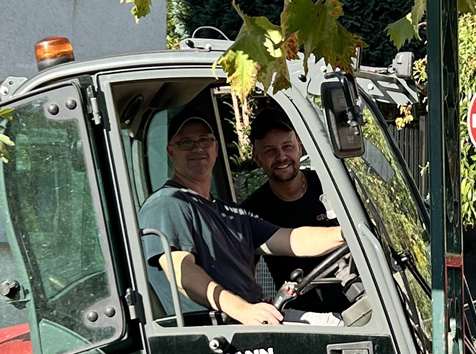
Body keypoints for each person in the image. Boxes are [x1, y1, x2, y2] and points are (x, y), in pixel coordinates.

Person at [138, 109, 344, 325]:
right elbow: (182, 273)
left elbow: (292, 240)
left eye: (205, 141)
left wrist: (346, 233)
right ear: (171, 152)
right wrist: (243, 310)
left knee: (345, 323)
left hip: (256, 318)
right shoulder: (168, 203)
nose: (198, 148)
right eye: (186, 142)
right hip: (221, 329)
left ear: (216, 148)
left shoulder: (231, 213)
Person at [241, 108, 348, 313]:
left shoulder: (333, 187)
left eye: (287, 147)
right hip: (301, 318)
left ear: (300, 146)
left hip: (360, 301)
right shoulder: (252, 212)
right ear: (257, 157)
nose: (281, 156)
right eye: (270, 151)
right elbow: (246, 279)